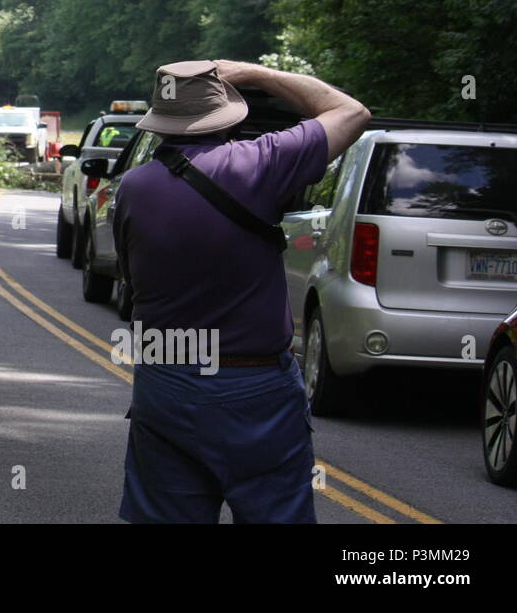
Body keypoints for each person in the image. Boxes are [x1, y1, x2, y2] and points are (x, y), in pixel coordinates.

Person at [112, 59, 369, 522]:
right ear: (226, 114)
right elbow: (351, 112)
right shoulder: (261, 162)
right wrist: (259, 75)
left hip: (163, 378)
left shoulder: (132, 187)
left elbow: (131, 278)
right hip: (252, 388)